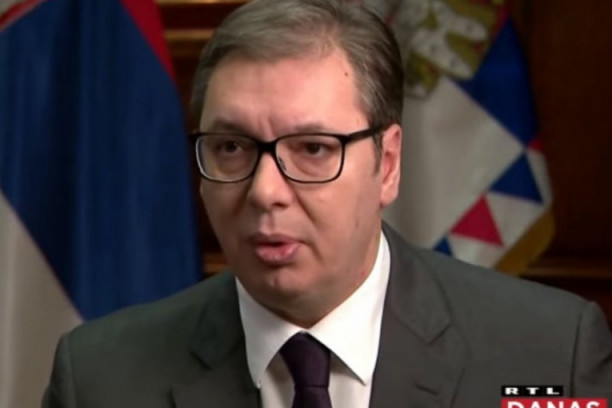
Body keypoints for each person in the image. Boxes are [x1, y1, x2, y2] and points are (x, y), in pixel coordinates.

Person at [42, 0, 612, 407]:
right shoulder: (99, 380)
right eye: (232, 148)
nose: (265, 191)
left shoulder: (549, 353)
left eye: (313, 149)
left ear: (388, 164)